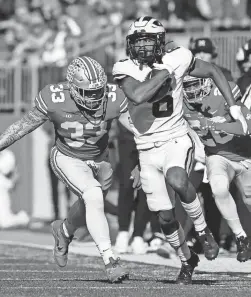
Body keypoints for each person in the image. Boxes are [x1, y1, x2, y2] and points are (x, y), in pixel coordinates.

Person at [112, 16, 247, 284]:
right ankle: (187, 259)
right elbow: (138, 94)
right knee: (164, 215)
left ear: (160, 41)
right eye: (137, 41)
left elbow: (213, 71)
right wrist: (168, 70)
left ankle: (203, 230)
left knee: (177, 178)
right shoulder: (123, 67)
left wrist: (232, 106)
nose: (142, 47)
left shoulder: (178, 57)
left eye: (148, 41)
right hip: (145, 146)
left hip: (175, 137)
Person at [0, 56, 131, 283]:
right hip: (68, 157)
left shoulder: (114, 96)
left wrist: (145, 160)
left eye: (98, 91)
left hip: (101, 160)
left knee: (89, 203)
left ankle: (64, 231)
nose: (94, 97)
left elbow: (136, 131)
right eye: (87, 92)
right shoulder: (54, 97)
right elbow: (22, 126)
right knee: (93, 196)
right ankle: (111, 261)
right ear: (72, 88)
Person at [182, 75, 251, 262]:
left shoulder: (224, 92)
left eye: (195, 85)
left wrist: (213, 124)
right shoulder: (182, 102)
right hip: (217, 155)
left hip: (246, 156)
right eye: (187, 86)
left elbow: (246, 126)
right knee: (218, 188)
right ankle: (241, 237)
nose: (191, 91)